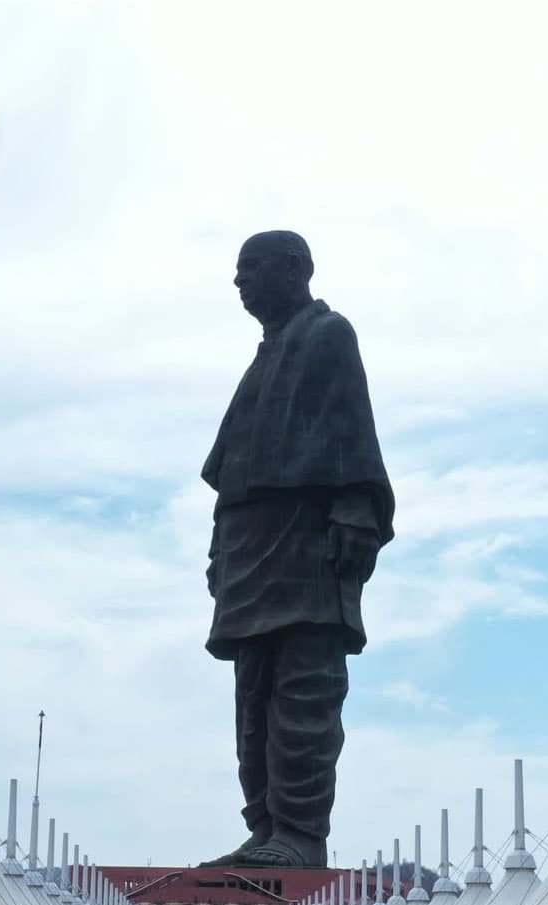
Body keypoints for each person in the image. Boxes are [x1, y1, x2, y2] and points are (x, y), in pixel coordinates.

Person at [198, 231, 394, 869]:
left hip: (306, 538)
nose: (239, 281)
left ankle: (301, 832)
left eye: (250, 268)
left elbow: (353, 428)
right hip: (248, 544)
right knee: (252, 695)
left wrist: (356, 509)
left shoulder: (328, 335)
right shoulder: (265, 355)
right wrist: (217, 549)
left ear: (294, 269)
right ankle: (266, 827)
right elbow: (230, 471)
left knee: (304, 687)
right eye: (237, 270)